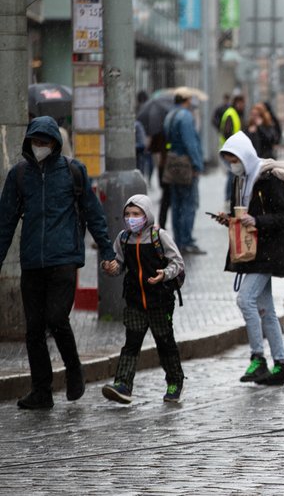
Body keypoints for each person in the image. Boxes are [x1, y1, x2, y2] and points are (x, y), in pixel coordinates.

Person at [0, 117, 117, 409]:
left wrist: (107, 251)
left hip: (63, 258)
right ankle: (42, 391)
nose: (41, 146)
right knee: (34, 328)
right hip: (32, 262)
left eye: (45, 141)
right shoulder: (18, 175)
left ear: (55, 143)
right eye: (36, 141)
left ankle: (74, 369)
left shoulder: (73, 171)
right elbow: (5, 223)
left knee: (56, 318)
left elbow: (94, 214)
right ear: (29, 142)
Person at [217, 132, 284, 386]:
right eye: (229, 160)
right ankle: (281, 365)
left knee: (245, 299)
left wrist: (258, 221)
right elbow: (240, 214)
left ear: (245, 156)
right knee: (266, 310)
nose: (233, 164)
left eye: (235, 159)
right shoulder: (239, 181)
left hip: (271, 250)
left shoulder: (269, 178)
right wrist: (227, 219)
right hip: (252, 252)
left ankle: (258, 358)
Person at [101, 195, 186, 405]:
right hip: (135, 301)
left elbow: (178, 263)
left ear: (146, 215)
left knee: (165, 343)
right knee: (131, 344)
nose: (131, 218)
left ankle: (175, 382)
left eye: (136, 214)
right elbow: (119, 264)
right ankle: (123, 385)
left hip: (160, 300)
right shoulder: (123, 238)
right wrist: (110, 267)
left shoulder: (159, 236)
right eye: (128, 215)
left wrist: (163, 275)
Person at [165, 93, 205, 255]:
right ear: (186, 100)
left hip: (173, 162)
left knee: (177, 204)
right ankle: (187, 241)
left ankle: (178, 239)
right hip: (185, 164)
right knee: (189, 203)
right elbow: (190, 142)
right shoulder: (186, 117)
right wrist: (197, 164)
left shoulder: (170, 115)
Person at [220, 94, 247, 205]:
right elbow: (227, 132)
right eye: (241, 103)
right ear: (236, 103)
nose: (243, 106)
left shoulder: (237, 114)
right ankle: (228, 197)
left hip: (234, 150)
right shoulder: (232, 114)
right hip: (230, 150)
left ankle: (231, 197)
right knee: (232, 173)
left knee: (233, 173)